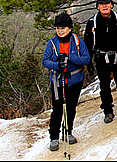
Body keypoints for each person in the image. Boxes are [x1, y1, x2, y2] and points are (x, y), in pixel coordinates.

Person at [42, 12, 91, 152]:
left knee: (70, 108)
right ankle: (54, 137)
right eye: (58, 28)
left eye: (62, 28)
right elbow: (45, 61)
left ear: (69, 28)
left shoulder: (77, 41)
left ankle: (67, 132)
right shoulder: (52, 43)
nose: (60, 31)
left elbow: (86, 59)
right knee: (57, 109)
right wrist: (57, 65)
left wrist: (70, 58)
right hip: (58, 81)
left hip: (74, 80)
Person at [84, 0, 117, 124]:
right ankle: (108, 112)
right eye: (101, 4)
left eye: (107, 4)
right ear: (97, 7)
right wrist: (88, 61)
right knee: (104, 86)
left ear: (111, 5)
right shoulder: (92, 22)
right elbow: (88, 42)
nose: (104, 6)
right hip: (101, 57)